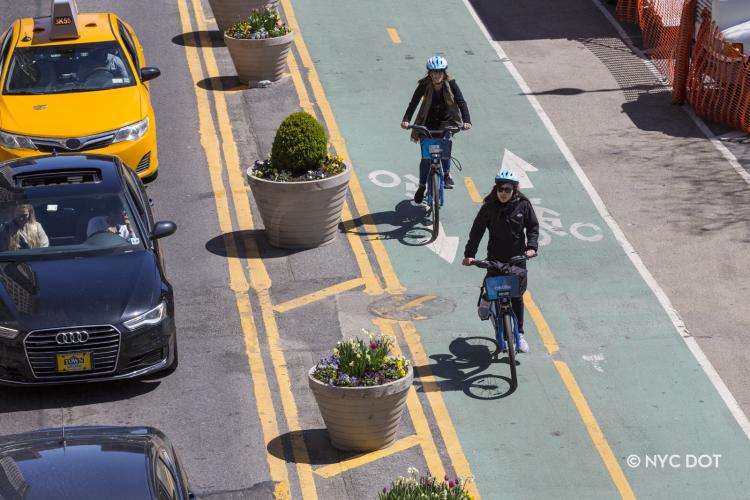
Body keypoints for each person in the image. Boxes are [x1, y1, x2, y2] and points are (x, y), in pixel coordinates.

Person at [461, 170, 539, 353]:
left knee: (517, 296)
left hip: (517, 258)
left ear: (514, 191)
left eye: (507, 189)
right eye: (500, 189)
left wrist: (532, 247)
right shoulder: (488, 207)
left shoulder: (524, 206)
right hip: (495, 256)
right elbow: (477, 232)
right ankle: (486, 298)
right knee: (492, 285)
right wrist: (469, 255)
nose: (503, 193)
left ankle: (519, 333)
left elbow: (533, 227)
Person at [401, 55, 472, 204]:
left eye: (440, 71)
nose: (437, 75)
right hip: (426, 123)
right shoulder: (424, 84)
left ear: (444, 72)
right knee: (426, 157)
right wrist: (406, 119)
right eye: (434, 72)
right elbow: (413, 102)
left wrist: (467, 121)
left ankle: (446, 175)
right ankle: (421, 186)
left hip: (446, 122)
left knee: (445, 148)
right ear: (429, 73)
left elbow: (461, 101)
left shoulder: (451, 84)